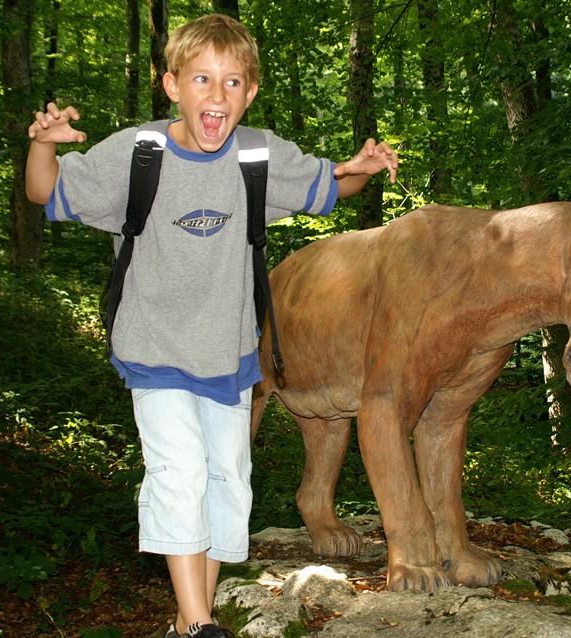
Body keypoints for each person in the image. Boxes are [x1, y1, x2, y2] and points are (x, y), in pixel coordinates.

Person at [25, 13, 398, 638]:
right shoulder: (139, 153)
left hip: (230, 356)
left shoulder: (257, 155)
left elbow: (333, 186)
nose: (216, 94)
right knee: (181, 475)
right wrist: (43, 145)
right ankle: (202, 624)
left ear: (250, 92)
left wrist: (360, 164)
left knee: (229, 486)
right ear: (173, 85)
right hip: (155, 349)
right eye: (202, 78)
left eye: (232, 82)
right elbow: (47, 193)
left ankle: (183, 623)